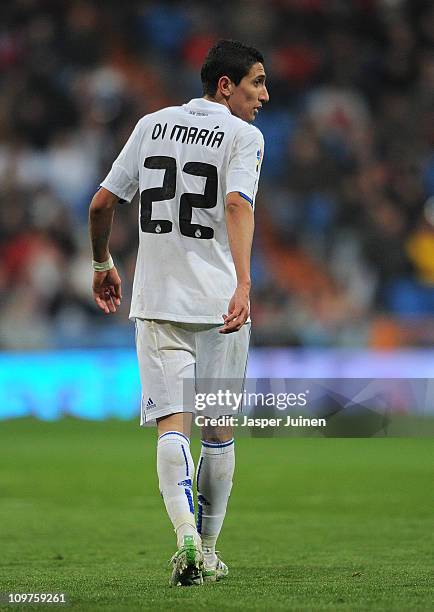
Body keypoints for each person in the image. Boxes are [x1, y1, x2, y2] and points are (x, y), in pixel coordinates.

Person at [88, 39, 268, 586]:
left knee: (172, 426)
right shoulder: (244, 136)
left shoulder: (151, 124)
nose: (264, 94)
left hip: (159, 301)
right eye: (257, 82)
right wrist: (243, 281)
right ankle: (208, 550)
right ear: (225, 86)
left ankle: (182, 533)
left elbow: (101, 203)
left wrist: (102, 262)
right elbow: (237, 204)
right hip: (219, 306)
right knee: (217, 432)